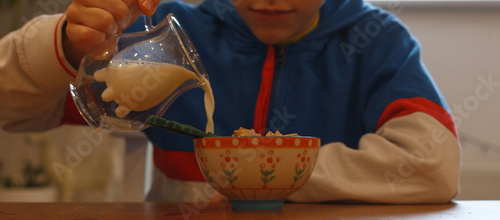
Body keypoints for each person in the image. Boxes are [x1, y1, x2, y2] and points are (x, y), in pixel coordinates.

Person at [0, 0, 460, 203]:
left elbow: (432, 164)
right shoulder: (163, 32)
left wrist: (264, 170)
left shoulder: (374, 43)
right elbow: (12, 109)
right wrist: (63, 44)